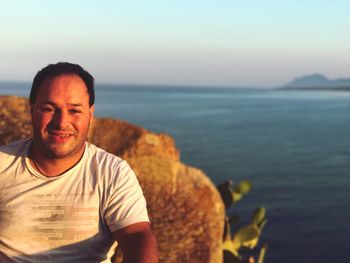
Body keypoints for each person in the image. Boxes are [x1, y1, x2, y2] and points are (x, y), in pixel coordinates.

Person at [0, 62, 158, 263]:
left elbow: (136, 235)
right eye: (49, 109)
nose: (61, 123)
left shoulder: (112, 172)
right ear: (32, 110)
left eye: (74, 111)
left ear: (90, 114)